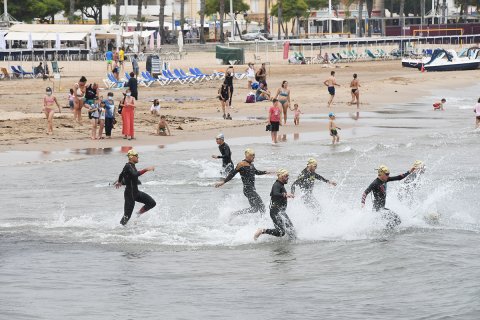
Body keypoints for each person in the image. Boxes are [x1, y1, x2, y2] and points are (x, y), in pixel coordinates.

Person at [215, 148, 270, 216]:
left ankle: (235, 213)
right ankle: (263, 223)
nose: (254, 157)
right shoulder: (241, 164)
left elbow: (256, 172)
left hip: (251, 189)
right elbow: (232, 173)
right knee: (262, 207)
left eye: (254, 156)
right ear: (247, 156)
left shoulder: (251, 164)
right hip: (248, 190)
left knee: (255, 209)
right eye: (252, 156)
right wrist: (223, 182)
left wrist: (266, 172)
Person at [361, 164, 415, 229]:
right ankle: (387, 232)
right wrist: (363, 203)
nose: (388, 175)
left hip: (381, 209)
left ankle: (386, 232)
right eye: (386, 174)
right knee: (397, 220)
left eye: (388, 174)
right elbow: (365, 193)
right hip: (378, 210)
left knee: (395, 221)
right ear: (381, 173)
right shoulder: (375, 183)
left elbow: (398, 177)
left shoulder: (385, 179)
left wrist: (409, 171)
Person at [114, 149, 156, 226]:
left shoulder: (132, 166)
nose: (138, 157)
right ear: (132, 157)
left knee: (152, 203)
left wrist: (119, 181)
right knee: (126, 217)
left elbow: (121, 174)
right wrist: (146, 169)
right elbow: (134, 174)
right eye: (136, 156)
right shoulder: (128, 166)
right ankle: (119, 230)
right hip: (129, 195)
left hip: (136, 193)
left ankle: (138, 214)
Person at [254, 169, 295, 240]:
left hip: (280, 212)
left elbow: (273, 194)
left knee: (291, 230)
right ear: (281, 176)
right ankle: (262, 231)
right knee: (281, 232)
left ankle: (291, 246)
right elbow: (275, 193)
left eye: (288, 176)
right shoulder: (277, 185)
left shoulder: (280, 185)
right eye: (286, 176)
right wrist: (285, 195)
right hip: (275, 212)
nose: (287, 177)